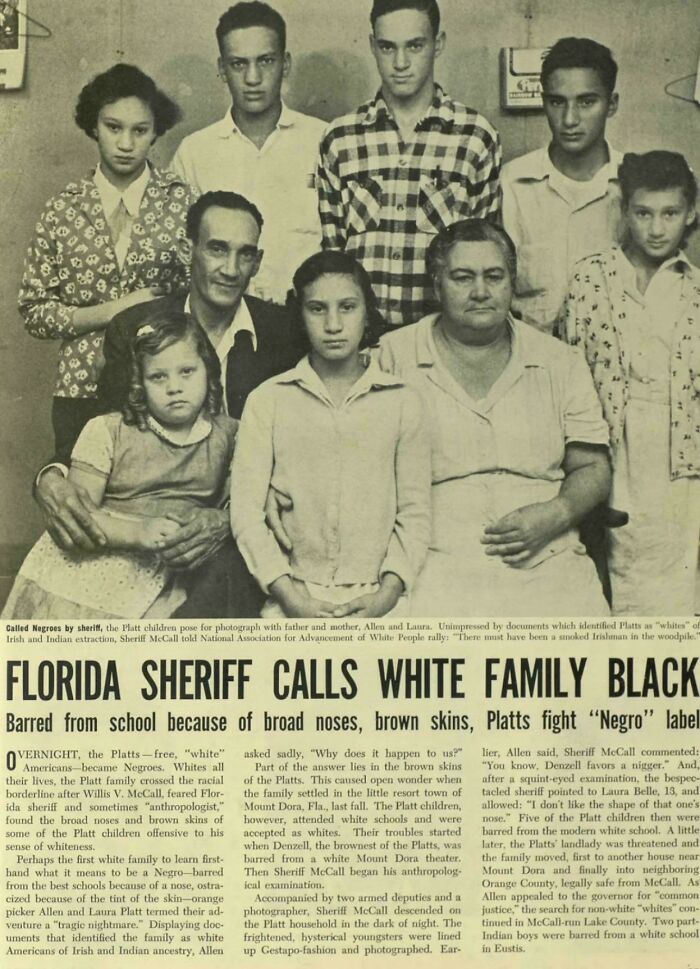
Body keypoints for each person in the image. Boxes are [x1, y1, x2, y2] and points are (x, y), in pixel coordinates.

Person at [33, 191, 300, 617]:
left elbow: (298, 448)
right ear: (186, 249)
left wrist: (228, 519)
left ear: (257, 261)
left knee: (227, 579)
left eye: (245, 254)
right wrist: (50, 477)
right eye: (217, 249)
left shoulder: (284, 333)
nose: (231, 269)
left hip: (241, 519)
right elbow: (107, 429)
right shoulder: (135, 327)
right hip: (145, 524)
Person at [376, 219, 611, 617]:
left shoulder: (559, 361)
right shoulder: (393, 357)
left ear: (512, 282)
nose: (480, 291)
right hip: (432, 562)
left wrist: (557, 514)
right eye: (463, 277)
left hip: (548, 559)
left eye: (494, 276)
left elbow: (593, 467)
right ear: (437, 286)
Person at [230, 250, 431, 618]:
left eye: (348, 307)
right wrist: (288, 594)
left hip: (382, 598)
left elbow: (415, 512)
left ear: (367, 312)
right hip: (294, 594)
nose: (333, 324)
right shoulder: (268, 400)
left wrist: (388, 592)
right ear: (299, 315)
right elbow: (246, 513)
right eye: (317, 309)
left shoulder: (403, 402)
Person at [3, 313, 237, 619]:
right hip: (96, 562)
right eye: (158, 376)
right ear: (139, 382)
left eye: (187, 372)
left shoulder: (230, 435)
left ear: (208, 371)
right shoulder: (109, 430)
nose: (174, 387)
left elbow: (239, 506)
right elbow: (79, 515)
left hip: (171, 567)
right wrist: (138, 532)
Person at [18, 63, 193, 458]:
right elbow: (34, 311)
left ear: (156, 131)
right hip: (79, 388)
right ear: (94, 126)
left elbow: (195, 294)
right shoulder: (62, 209)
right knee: (78, 489)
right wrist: (117, 309)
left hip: (161, 386)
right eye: (114, 127)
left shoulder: (182, 201)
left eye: (140, 130)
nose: (126, 143)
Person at [562, 151, 700, 616]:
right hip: (609, 448)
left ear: (691, 213)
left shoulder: (696, 291)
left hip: (681, 457)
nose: (656, 228)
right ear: (624, 210)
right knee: (611, 570)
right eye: (643, 213)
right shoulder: (590, 278)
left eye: (670, 213)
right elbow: (567, 367)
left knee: (675, 580)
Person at [317, 0, 501, 328]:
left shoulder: (475, 137)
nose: (400, 63)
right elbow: (332, 257)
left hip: (443, 337)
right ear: (372, 45)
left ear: (438, 44)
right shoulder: (340, 138)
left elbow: (485, 257)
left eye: (415, 46)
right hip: (361, 338)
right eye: (387, 47)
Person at [170, 2, 326, 304]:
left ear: (286, 64)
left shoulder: (323, 141)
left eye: (266, 61)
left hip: (305, 318)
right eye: (238, 64)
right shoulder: (193, 153)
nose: (253, 78)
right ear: (221, 69)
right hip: (223, 320)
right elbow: (181, 254)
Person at [501, 37, 622, 335]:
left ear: (612, 104)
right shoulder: (512, 183)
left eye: (586, 102)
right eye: (557, 102)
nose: (570, 119)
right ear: (543, 102)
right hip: (532, 357)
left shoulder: (636, 185)